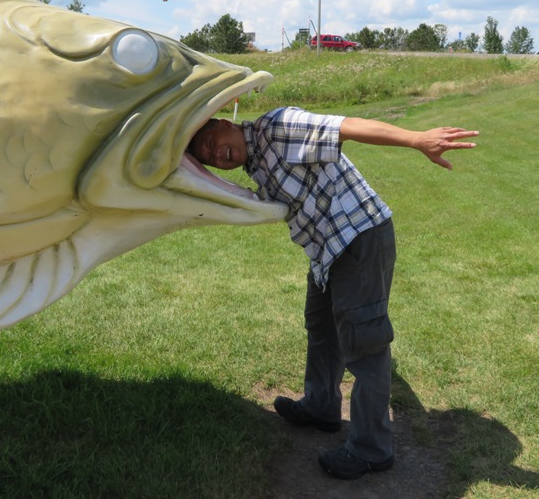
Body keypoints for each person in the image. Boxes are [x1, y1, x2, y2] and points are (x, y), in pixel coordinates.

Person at [187, 107, 478, 480]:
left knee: (365, 346)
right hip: (328, 251)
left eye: (212, 143)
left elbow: (348, 127)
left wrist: (416, 139)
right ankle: (322, 408)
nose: (216, 155)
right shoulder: (254, 159)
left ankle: (372, 449)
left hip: (359, 238)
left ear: (226, 124)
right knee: (322, 329)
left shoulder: (278, 127)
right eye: (208, 157)